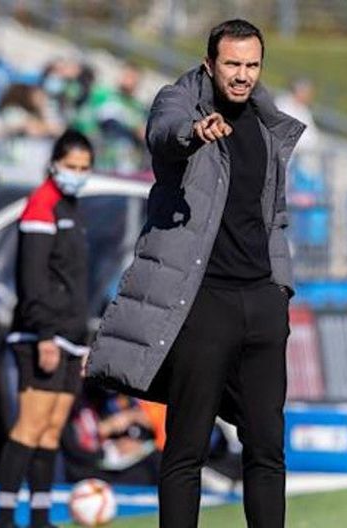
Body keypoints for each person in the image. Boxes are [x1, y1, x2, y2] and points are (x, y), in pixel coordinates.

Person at [88, 19, 304, 528]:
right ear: (210, 64)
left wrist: (280, 287)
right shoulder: (179, 101)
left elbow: (273, 215)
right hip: (203, 302)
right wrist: (194, 133)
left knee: (267, 446)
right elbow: (164, 134)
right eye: (232, 64)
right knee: (187, 445)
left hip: (262, 302)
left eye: (252, 65)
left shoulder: (265, 120)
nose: (243, 75)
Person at [0, 129, 93, 528]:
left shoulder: (73, 208)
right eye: (71, 166)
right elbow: (32, 278)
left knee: (52, 431)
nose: (77, 174)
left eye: (84, 168)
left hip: (71, 335)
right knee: (30, 427)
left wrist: (82, 340)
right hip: (41, 334)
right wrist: (45, 335)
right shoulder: (41, 205)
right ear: (53, 165)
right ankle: (4, 517)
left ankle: (40, 517)